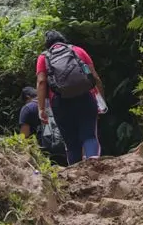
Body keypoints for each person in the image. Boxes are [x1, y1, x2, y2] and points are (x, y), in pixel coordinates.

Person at [35, 30, 105, 166]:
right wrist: (100, 100)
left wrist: (41, 108)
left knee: (71, 142)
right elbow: (95, 77)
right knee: (89, 135)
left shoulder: (43, 58)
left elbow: (42, 82)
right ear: (63, 40)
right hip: (85, 97)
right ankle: (94, 166)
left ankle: (76, 176)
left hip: (60, 102)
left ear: (47, 44)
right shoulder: (78, 51)